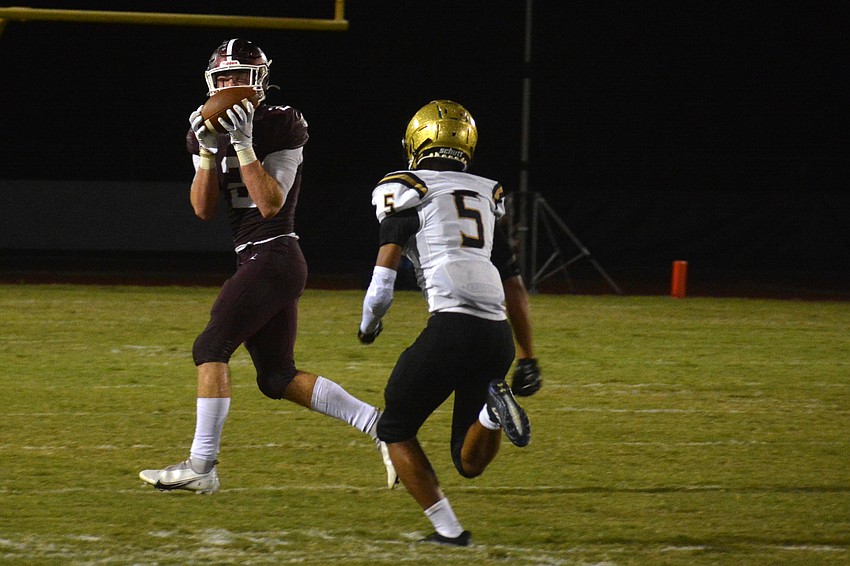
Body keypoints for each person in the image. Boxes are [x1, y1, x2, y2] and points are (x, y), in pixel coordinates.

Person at [139, 38, 395, 494]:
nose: (232, 86)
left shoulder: (282, 123)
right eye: (224, 80)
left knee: (211, 346)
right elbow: (202, 210)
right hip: (257, 257)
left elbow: (271, 204)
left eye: (240, 78)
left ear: (260, 82)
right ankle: (382, 429)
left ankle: (201, 466)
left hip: (274, 252)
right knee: (276, 378)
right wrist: (204, 153)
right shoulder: (204, 128)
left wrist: (241, 144)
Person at [357, 100, 532, 546]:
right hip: (497, 334)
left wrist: (369, 326)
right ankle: (493, 414)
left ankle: (450, 531)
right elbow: (513, 282)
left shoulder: (407, 185)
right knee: (468, 462)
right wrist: (529, 354)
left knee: (393, 426)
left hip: (451, 325)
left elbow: (383, 280)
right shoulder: (487, 192)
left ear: (417, 141)